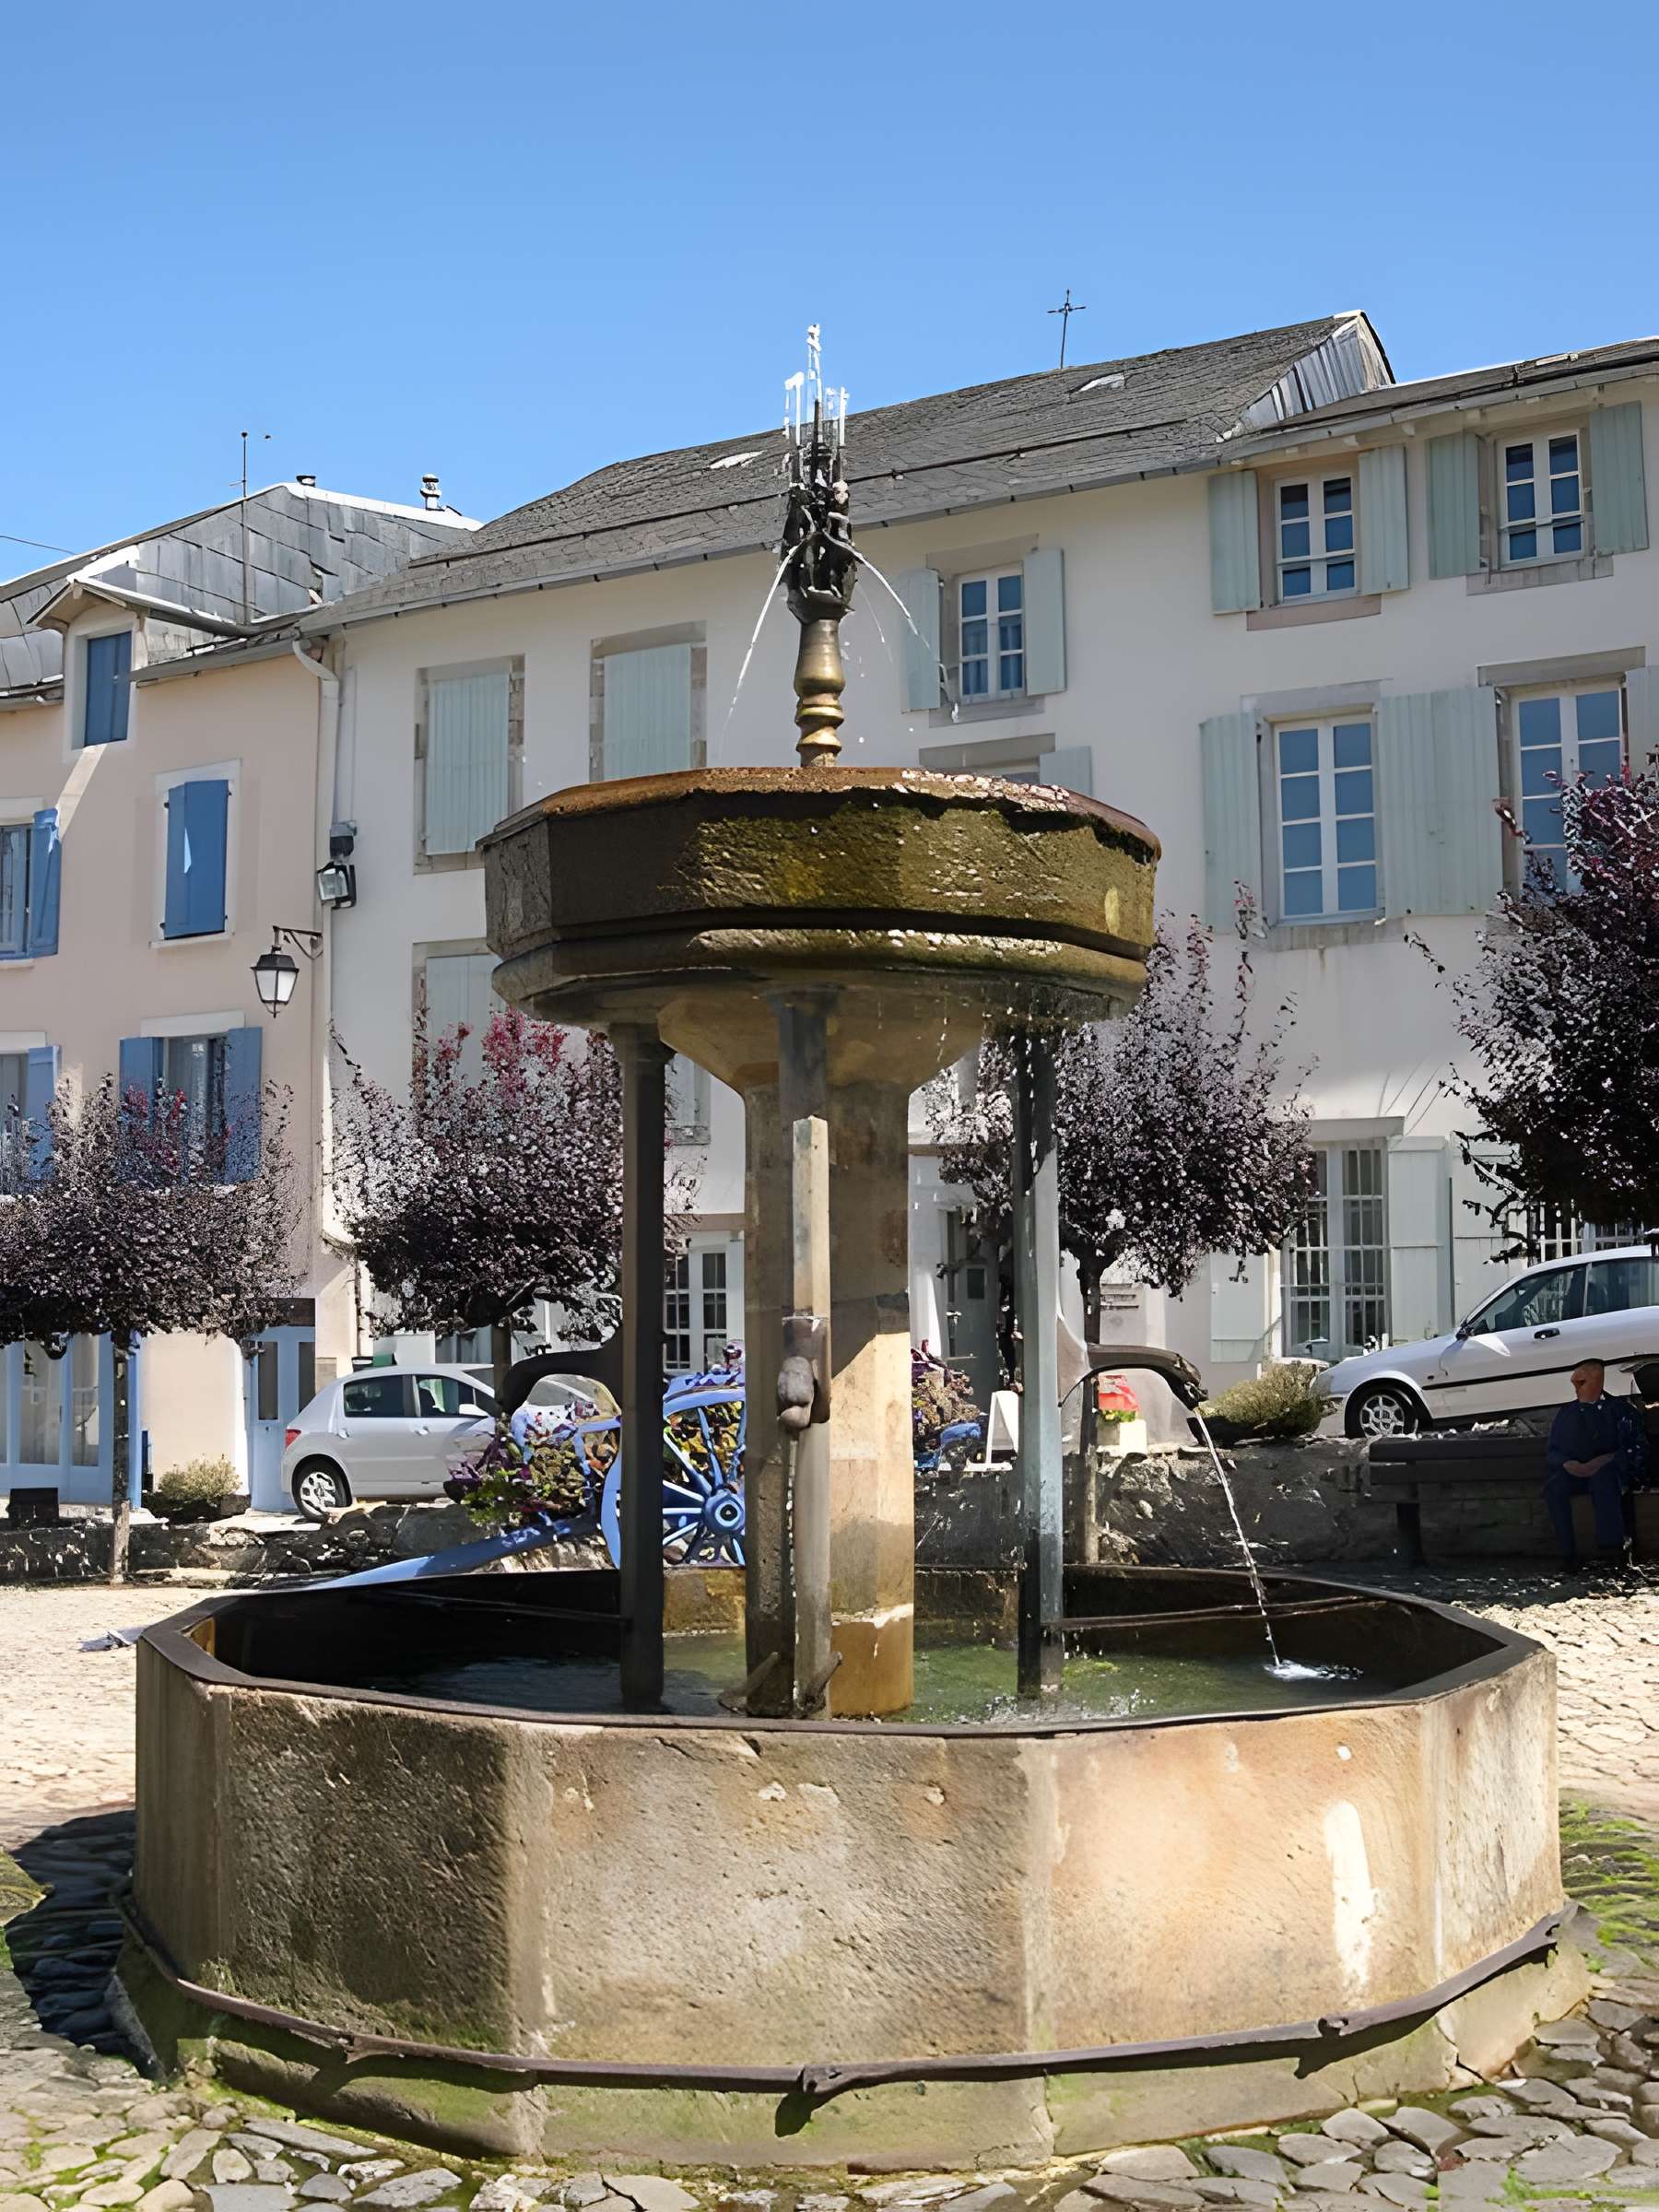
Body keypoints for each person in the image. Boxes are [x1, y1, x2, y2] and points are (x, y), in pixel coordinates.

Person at [1545, 1359, 1647, 1572]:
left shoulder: (1621, 1411)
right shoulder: (1567, 1413)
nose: (1576, 1388)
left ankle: (1612, 1551)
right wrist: (1567, 1464)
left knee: (1604, 1480)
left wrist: (1607, 1460)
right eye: (1574, 1383)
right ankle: (1568, 1554)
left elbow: (1637, 1448)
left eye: (1581, 1382)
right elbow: (1553, 1450)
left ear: (1597, 1381)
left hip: (1612, 1472)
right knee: (1555, 1487)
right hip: (1576, 1472)